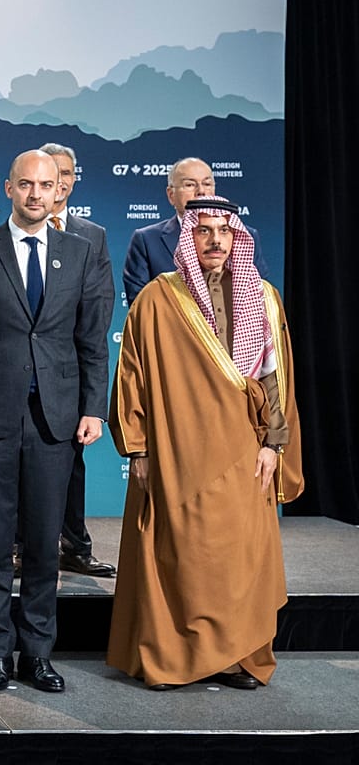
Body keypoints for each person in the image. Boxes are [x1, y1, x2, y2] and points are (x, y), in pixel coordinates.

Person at [107, 196, 303, 691]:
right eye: (203, 231)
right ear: (186, 238)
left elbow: (274, 376)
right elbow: (133, 377)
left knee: (237, 558)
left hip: (245, 450)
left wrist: (273, 445)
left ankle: (238, 656)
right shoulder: (157, 299)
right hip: (176, 450)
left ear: (237, 238)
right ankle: (175, 656)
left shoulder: (264, 295)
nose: (215, 240)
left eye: (225, 231)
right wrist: (140, 449)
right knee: (181, 553)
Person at [0, 150, 111, 694]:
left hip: (57, 419)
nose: (36, 194)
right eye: (26, 184)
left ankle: (37, 654)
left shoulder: (81, 253)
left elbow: (92, 342)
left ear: (61, 189)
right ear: (8, 187)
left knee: (41, 542)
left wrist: (93, 407)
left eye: (47, 184)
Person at [12, 143, 117, 578]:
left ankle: (75, 544)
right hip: (18, 376)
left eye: (66, 173)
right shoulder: (4, 240)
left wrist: (91, 394)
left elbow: (99, 310)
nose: (59, 181)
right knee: (15, 467)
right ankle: (22, 546)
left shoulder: (92, 235)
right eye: (47, 174)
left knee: (72, 466)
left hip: (68, 374)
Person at [122, 157, 269, 304]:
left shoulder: (244, 237)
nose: (201, 192)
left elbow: (260, 296)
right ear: (171, 195)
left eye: (207, 184)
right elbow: (141, 307)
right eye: (190, 185)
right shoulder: (147, 240)